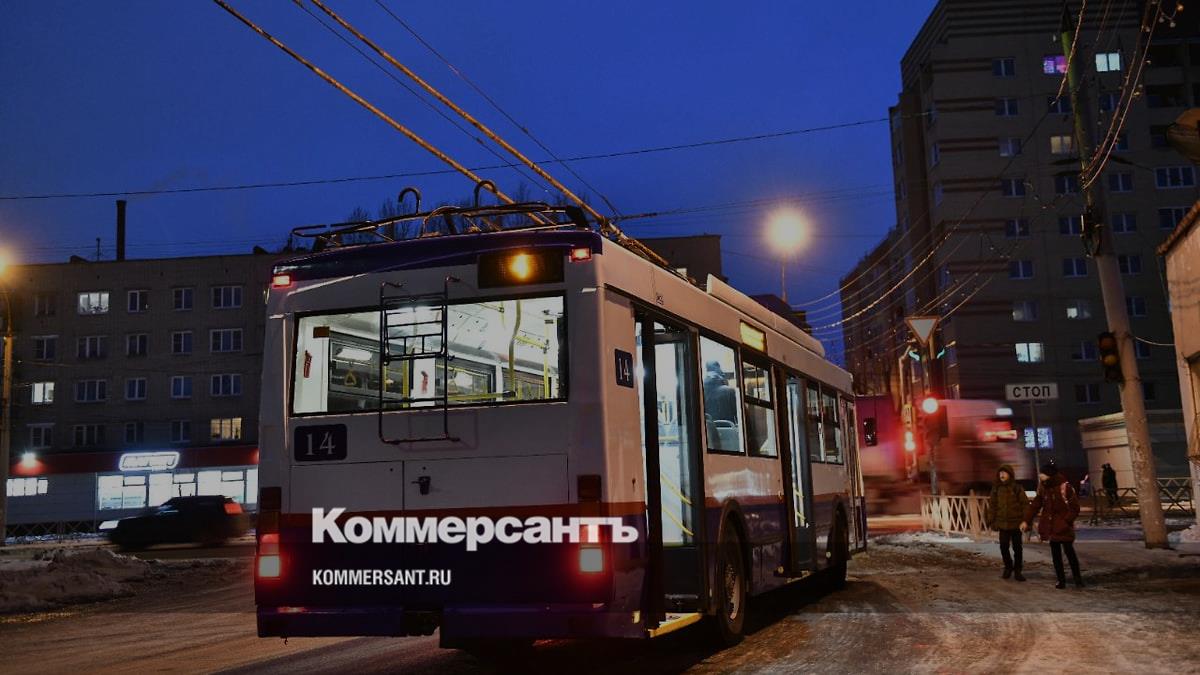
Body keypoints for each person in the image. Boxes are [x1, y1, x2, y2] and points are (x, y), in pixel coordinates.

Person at [1023, 462, 1084, 589]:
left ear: (1049, 474)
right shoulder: (1043, 488)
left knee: (1069, 553)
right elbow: (1035, 506)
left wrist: (1066, 522)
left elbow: (1075, 508)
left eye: (1042, 474)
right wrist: (1026, 520)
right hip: (1051, 527)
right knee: (1056, 555)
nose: (1040, 476)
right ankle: (1061, 580)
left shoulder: (1065, 487)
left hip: (1064, 527)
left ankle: (1078, 579)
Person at [987, 464, 1028, 581]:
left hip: (1016, 523)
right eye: (1000, 473)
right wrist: (991, 520)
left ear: (1010, 474)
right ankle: (1008, 567)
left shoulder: (1017, 488)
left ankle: (1018, 570)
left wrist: (1025, 520)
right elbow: (992, 506)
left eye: (1004, 473)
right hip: (1003, 524)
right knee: (1003, 547)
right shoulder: (996, 489)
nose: (1002, 475)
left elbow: (1025, 504)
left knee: (1017, 548)